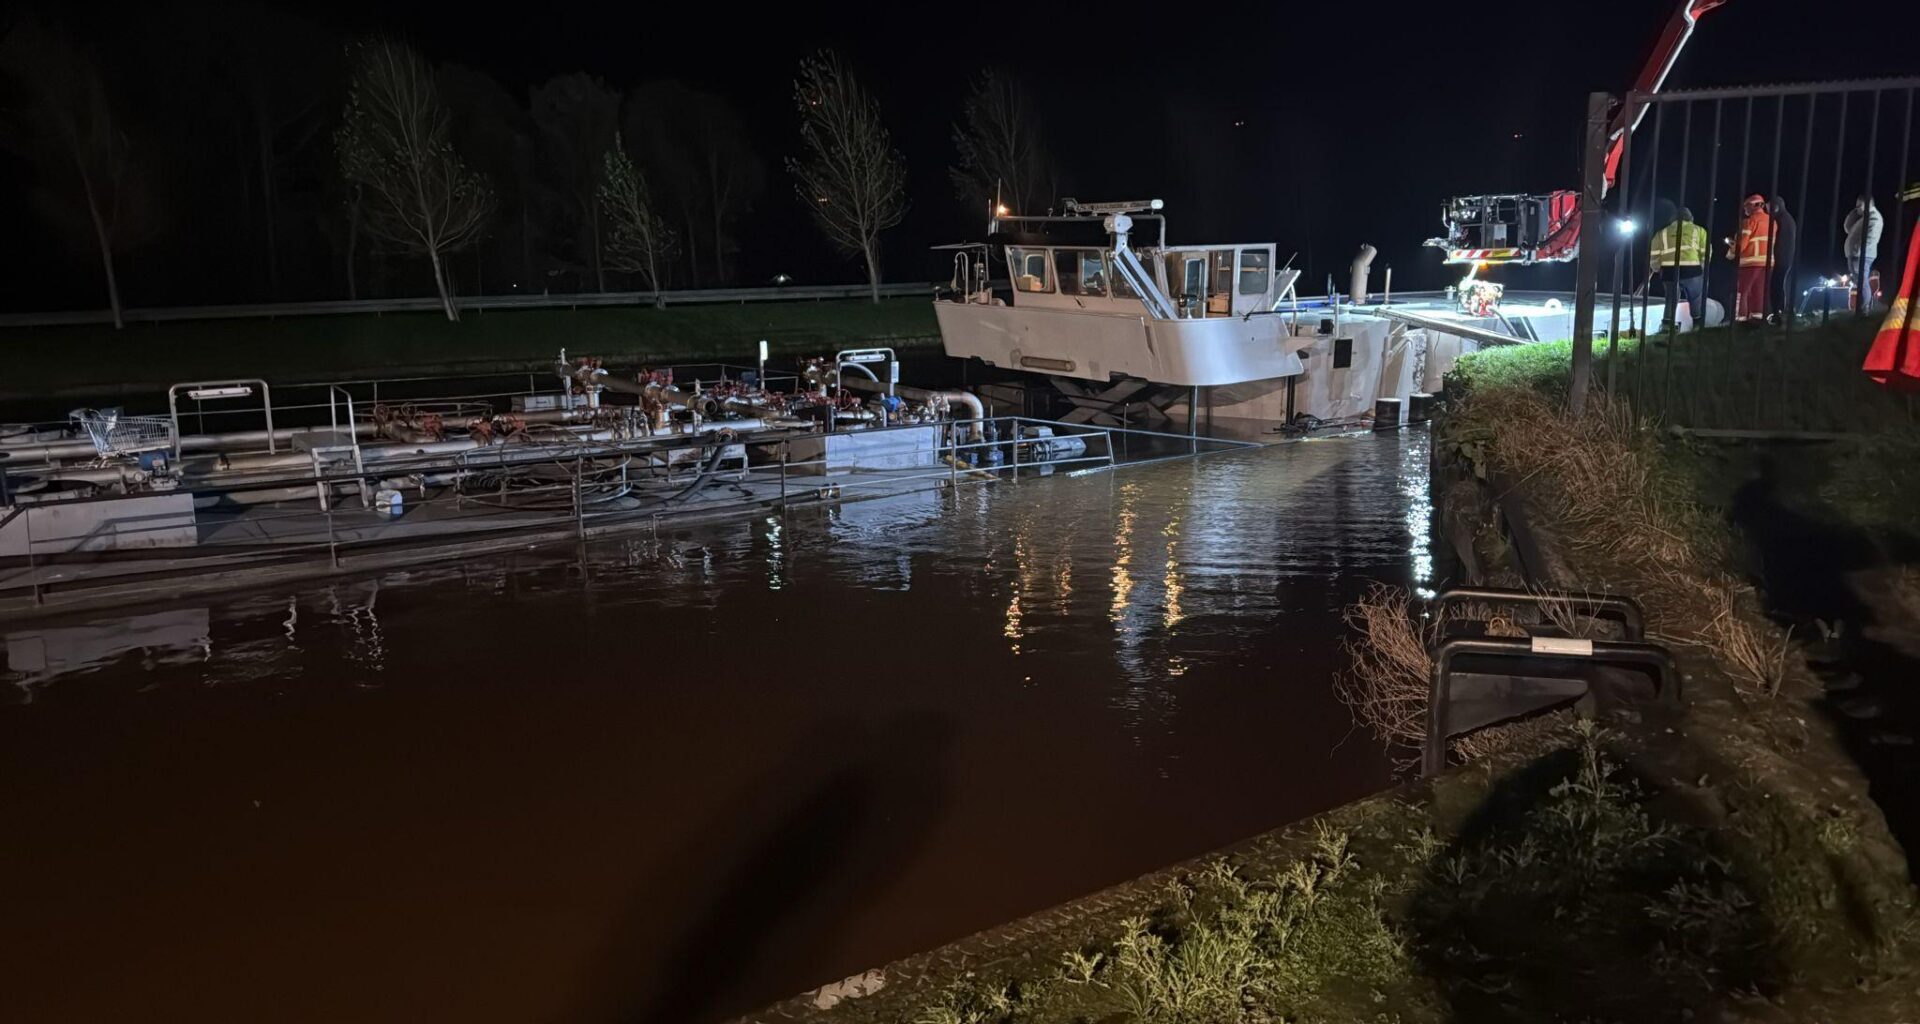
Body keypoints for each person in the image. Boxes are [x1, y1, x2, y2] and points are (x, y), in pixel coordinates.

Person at [1647, 200, 1707, 329]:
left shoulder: (1662, 233)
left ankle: (1666, 326)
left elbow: (1654, 254)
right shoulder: (1699, 231)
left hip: (1669, 271)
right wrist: (1701, 266)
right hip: (1692, 270)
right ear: (1690, 218)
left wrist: (1657, 268)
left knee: (1671, 299)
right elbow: (1706, 252)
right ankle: (1697, 325)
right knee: (1695, 298)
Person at [1727, 193, 1772, 322]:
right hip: (1767, 263)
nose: (1745, 210)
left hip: (1750, 262)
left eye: (1746, 206)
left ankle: (1740, 318)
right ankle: (1757, 318)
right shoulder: (1772, 221)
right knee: (1759, 291)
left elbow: (1742, 244)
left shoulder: (1749, 222)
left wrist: (1731, 251)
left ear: (1754, 206)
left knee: (1742, 292)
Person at [1844, 194, 1884, 311]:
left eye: (1859, 206)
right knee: (1859, 281)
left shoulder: (1874, 218)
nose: (1857, 208)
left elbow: (1870, 238)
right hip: (1856, 254)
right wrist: (1853, 213)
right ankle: (1863, 309)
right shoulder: (1864, 218)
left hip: (1862, 255)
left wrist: (1858, 252)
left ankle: (1863, 309)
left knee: (1862, 282)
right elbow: (1847, 228)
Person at [1767, 197, 1798, 324]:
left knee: (1776, 285)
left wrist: (1773, 256)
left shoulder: (1780, 220)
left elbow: (1778, 242)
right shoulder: (1788, 219)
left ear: (1776, 207)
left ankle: (1777, 312)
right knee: (1779, 284)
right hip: (1786, 257)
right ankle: (1782, 310)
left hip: (1781, 258)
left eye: (1769, 209)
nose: (1767, 212)